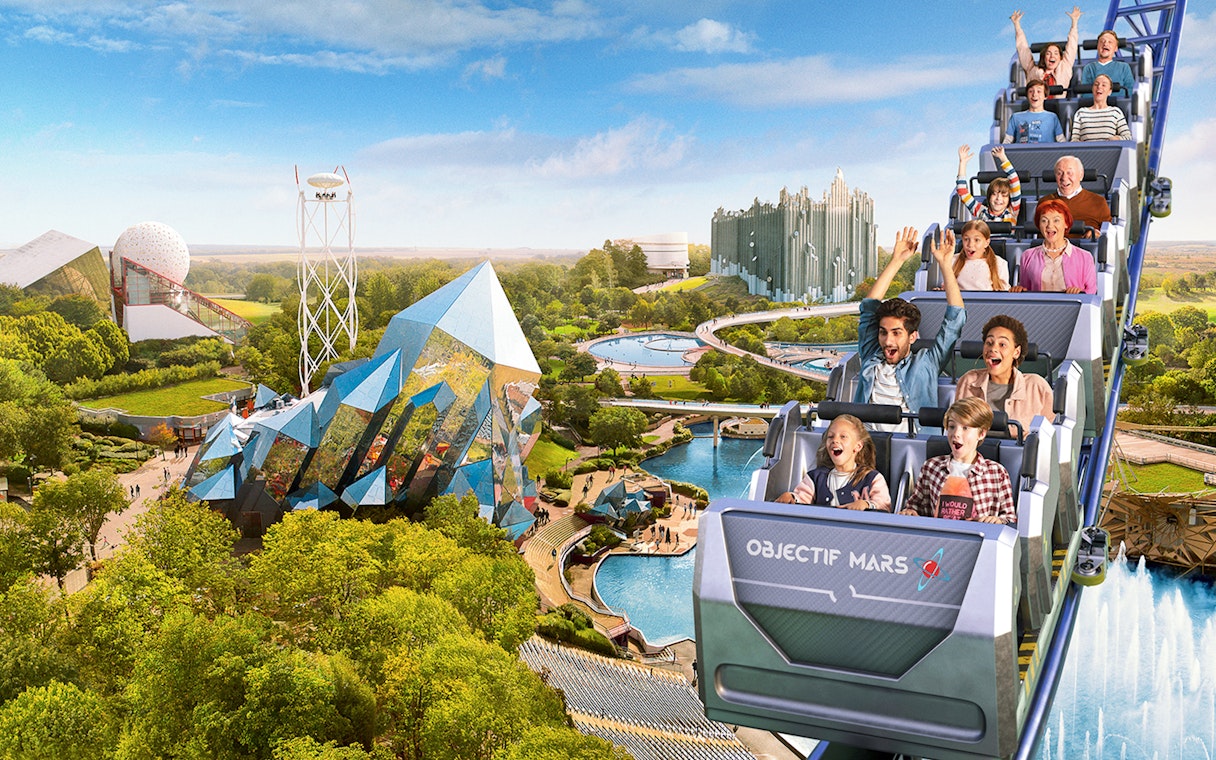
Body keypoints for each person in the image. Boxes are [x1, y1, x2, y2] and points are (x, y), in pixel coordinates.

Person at [855, 227, 966, 431]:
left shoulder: (927, 362)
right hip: (866, 446)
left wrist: (945, 265)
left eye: (896, 333)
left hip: (912, 446)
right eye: (883, 332)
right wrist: (897, 260)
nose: (888, 341)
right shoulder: (871, 354)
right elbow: (869, 307)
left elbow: (955, 319)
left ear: (913, 336)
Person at [900, 398, 1016, 525]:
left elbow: (1009, 518)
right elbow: (915, 506)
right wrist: (910, 512)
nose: (956, 434)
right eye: (952, 426)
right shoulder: (931, 467)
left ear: (981, 433)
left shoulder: (997, 472)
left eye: (965, 428)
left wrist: (998, 520)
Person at [955, 315, 1054, 434]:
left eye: (1002, 345)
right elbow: (958, 431)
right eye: (989, 343)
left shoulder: (1036, 386)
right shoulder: (968, 381)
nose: (993, 349)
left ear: (1016, 352)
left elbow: (1051, 437)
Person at [774, 414, 893, 511]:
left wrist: (866, 504)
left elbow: (884, 506)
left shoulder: (873, 478)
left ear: (858, 446)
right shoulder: (815, 478)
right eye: (830, 436)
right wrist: (791, 497)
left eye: (843, 437)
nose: (835, 440)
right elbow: (801, 499)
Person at [1012, 199, 1097, 294]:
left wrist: (1080, 293)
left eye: (1056, 220)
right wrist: (1019, 290)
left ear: (1066, 223)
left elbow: (1091, 293)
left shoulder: (1085, 257)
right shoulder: (1027, 256)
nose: (1049, 226)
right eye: (1044, 221)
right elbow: (1025, 293)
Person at [1012, 7, 1081, 94]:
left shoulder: (1064, 69)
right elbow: (1023, 49)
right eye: (1048, 53)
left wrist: (1074, 23)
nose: (1052, 56)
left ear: (1060, 58)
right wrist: (1017, 26)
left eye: (1056, 53)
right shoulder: (1034, 71)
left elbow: (1072, 46)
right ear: (1044, 57)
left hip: (1058, 105)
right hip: (1037, 105)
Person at [1039, 155, 1111, 236]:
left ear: (1081, 175)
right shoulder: (1045, 202)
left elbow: (1109, 235)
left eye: (1069, 173)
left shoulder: (1098, 201)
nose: (1064, 178)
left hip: (1087, 247)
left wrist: (1097, 234)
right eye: (1059, 173)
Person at [956, 145, 1023, 221]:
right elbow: (962, 192)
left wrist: (1003, 158)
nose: (998, 198)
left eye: (1004, 195)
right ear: (989, 197)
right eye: (994, 194)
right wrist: (962, 163)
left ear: (1009, 199)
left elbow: (1014, 179)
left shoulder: (1012, 211)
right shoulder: (981, 211)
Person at [952, 220, 1010, 291]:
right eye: (966, 239)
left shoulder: (999, 263)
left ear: (986, 242)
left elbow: (1004, 294)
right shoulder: (953, 260)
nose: (970, 244)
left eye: (976, 240)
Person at [1071, 74, 1132, 141]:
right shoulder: (1080, 113)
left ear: (1109, 91)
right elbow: (1074, 140)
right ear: (1092, 89)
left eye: (1104, 85)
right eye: (1096, 84)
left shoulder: (1116, 112)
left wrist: (1116, 138)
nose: (1099, 87)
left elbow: (1128, 137)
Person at [1003, 79, 1066, 144]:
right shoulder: (1015, 117)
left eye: (1039, 91)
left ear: (1045, 96)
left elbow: (1062, 141)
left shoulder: (1052, 117)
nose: (1034, 94)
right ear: (1027, 95)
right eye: (1031, 91)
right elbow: (1007, 142)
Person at [1079, 30, 1136, 94]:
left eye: (1110, 42)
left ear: (1116, 48)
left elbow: (1131, 90)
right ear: (1097, 46)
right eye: (1102, 41)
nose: (1105, 44)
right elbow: (1085, 93)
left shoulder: (1124, 67)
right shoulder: (1089, 68)